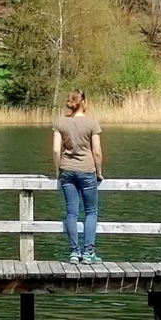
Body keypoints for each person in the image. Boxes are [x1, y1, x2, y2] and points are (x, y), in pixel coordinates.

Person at [51, 91, 104, 264]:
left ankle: (74, 252)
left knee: (71, 212)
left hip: (67, 171)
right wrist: (99, 172)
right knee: (91, 212)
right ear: (84, 102)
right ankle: (88, 253)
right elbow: (96, 151)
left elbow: (56, 150)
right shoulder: (91, 122)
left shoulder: (60, 122)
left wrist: (58, 170)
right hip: (87, 171)